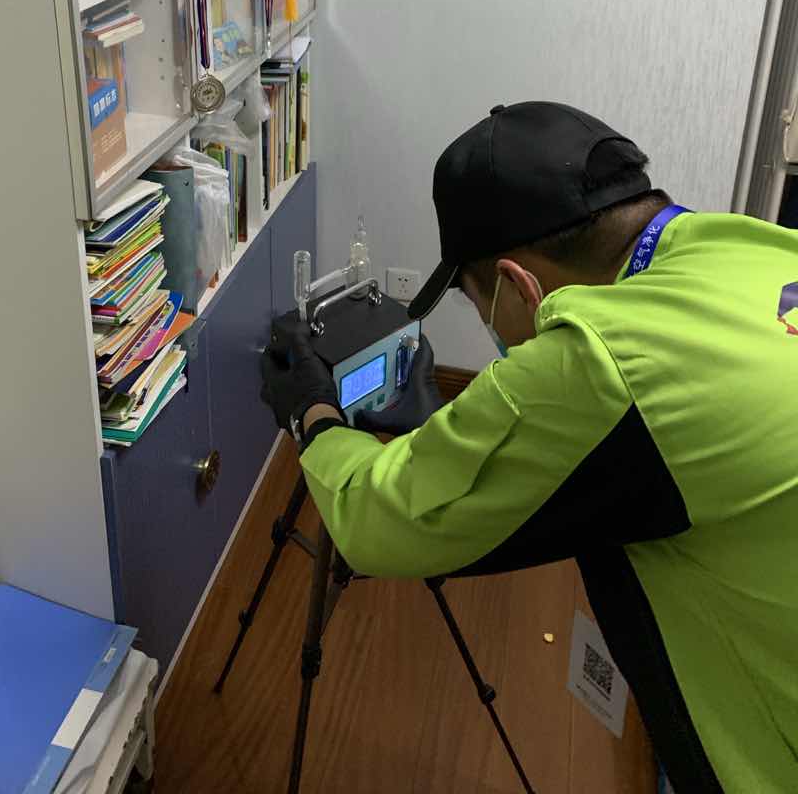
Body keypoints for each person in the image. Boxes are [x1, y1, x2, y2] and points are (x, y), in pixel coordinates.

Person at [260, 101, 798, 793]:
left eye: (476, 301)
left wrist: (313, 413)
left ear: (519, 285)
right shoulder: (753, 244)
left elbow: (375, 522)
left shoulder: (600, 361)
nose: (488, 323)